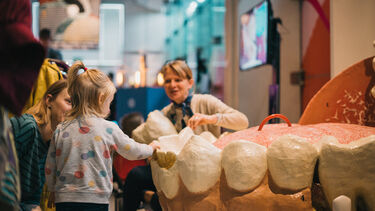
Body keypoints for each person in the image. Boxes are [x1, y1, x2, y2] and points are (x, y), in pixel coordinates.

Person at [123, 59, 249, 211]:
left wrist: (209, 118)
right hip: (176, 172)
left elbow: (242, 121)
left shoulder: (205, 101)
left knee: (160, 199)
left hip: (205, 170)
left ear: (190, 83)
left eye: (178, 80)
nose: (172, 85)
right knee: (136, 176)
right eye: (168, 81)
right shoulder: (165, 113)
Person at [44, 61, 160, 211]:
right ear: (100, 99)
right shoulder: (109, 128)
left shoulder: (61, 129)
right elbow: (132, 150)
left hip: (64, 198)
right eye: (109, 102)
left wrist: (53, 190)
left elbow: (50, 165)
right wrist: (150, 148)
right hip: (95, 199)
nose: (109, 107)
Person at [10, 80, 72, 211]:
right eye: (69, 102)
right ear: (49, 101)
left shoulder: (50, 143)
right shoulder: (27, 127)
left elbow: (32, 198)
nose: (73, 110)